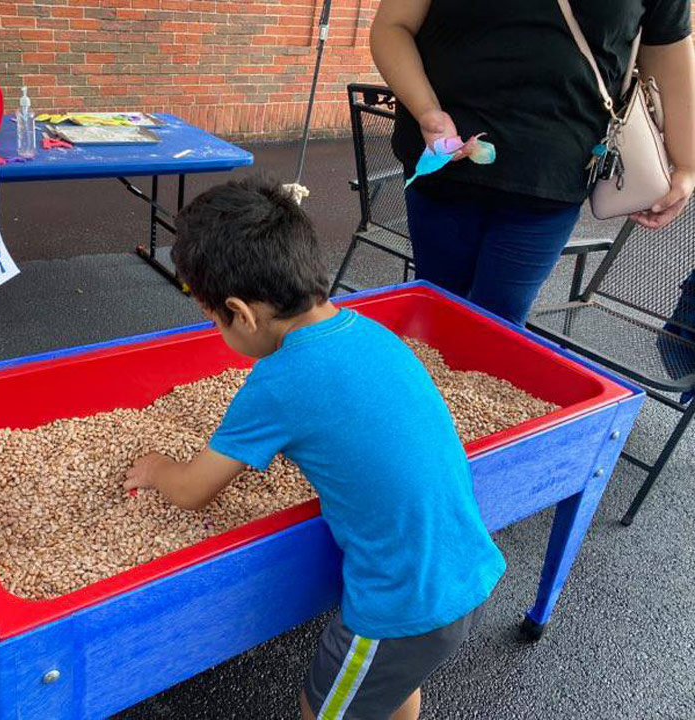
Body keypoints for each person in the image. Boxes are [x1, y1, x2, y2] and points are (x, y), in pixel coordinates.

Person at [124, 177, 506, 720]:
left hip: (398, 603)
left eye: (214, 321)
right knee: (388, 688)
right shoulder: (368, 331)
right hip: (463, 564)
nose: (218, 333)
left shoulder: (278, 382)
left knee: (324, 708)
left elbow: (192, 491)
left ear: (241, 312)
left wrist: (159, 468)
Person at [369, 0, 695, 325]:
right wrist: (427, 111)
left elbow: (670, 56)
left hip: (552, 178)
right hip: (446, 162)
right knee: (435, 313)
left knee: (498, 327)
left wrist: (686, 164)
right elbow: (393, 27)